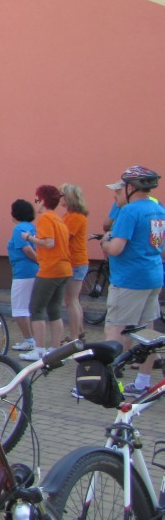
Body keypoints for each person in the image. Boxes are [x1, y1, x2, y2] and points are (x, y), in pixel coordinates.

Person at [99, 166, 165, 397]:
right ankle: (143, 382)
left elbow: (116, 248)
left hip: (129, 278)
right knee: (146, 330)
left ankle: (105, 386)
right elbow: (159, 246)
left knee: (114, 329)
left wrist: (105, 242)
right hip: (152, 275)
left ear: (130, 187)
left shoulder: (129, 211)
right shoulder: (158, 209)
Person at [19, 185, 72, 361]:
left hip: (50, 269)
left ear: (42, 201)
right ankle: (55, 350)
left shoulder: (46, 218)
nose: (36, 203)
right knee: (54, 309)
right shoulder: (59, 219)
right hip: (64, 269)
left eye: (37, 200)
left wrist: (29, 238)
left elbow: (49, 243)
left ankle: (39, 350)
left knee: (36, 308)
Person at [7, 199, 40, 352]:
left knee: (19, 309)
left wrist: (39, 261)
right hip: (33, 271)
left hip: (23, 272)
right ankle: (32, 339)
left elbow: (27, 250)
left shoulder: (18, 229)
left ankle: (29, 340)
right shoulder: (32, 227)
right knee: (28, 307)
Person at [58, 183, 89, 342]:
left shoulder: (76, 217)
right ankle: (79, 332)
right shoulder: (69, 215)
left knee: (71, 300)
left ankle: (74, 336)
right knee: (73, 300)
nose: (59, 198)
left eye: (62, 195)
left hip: (75, 262)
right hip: (73, 262)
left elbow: (65, 237)